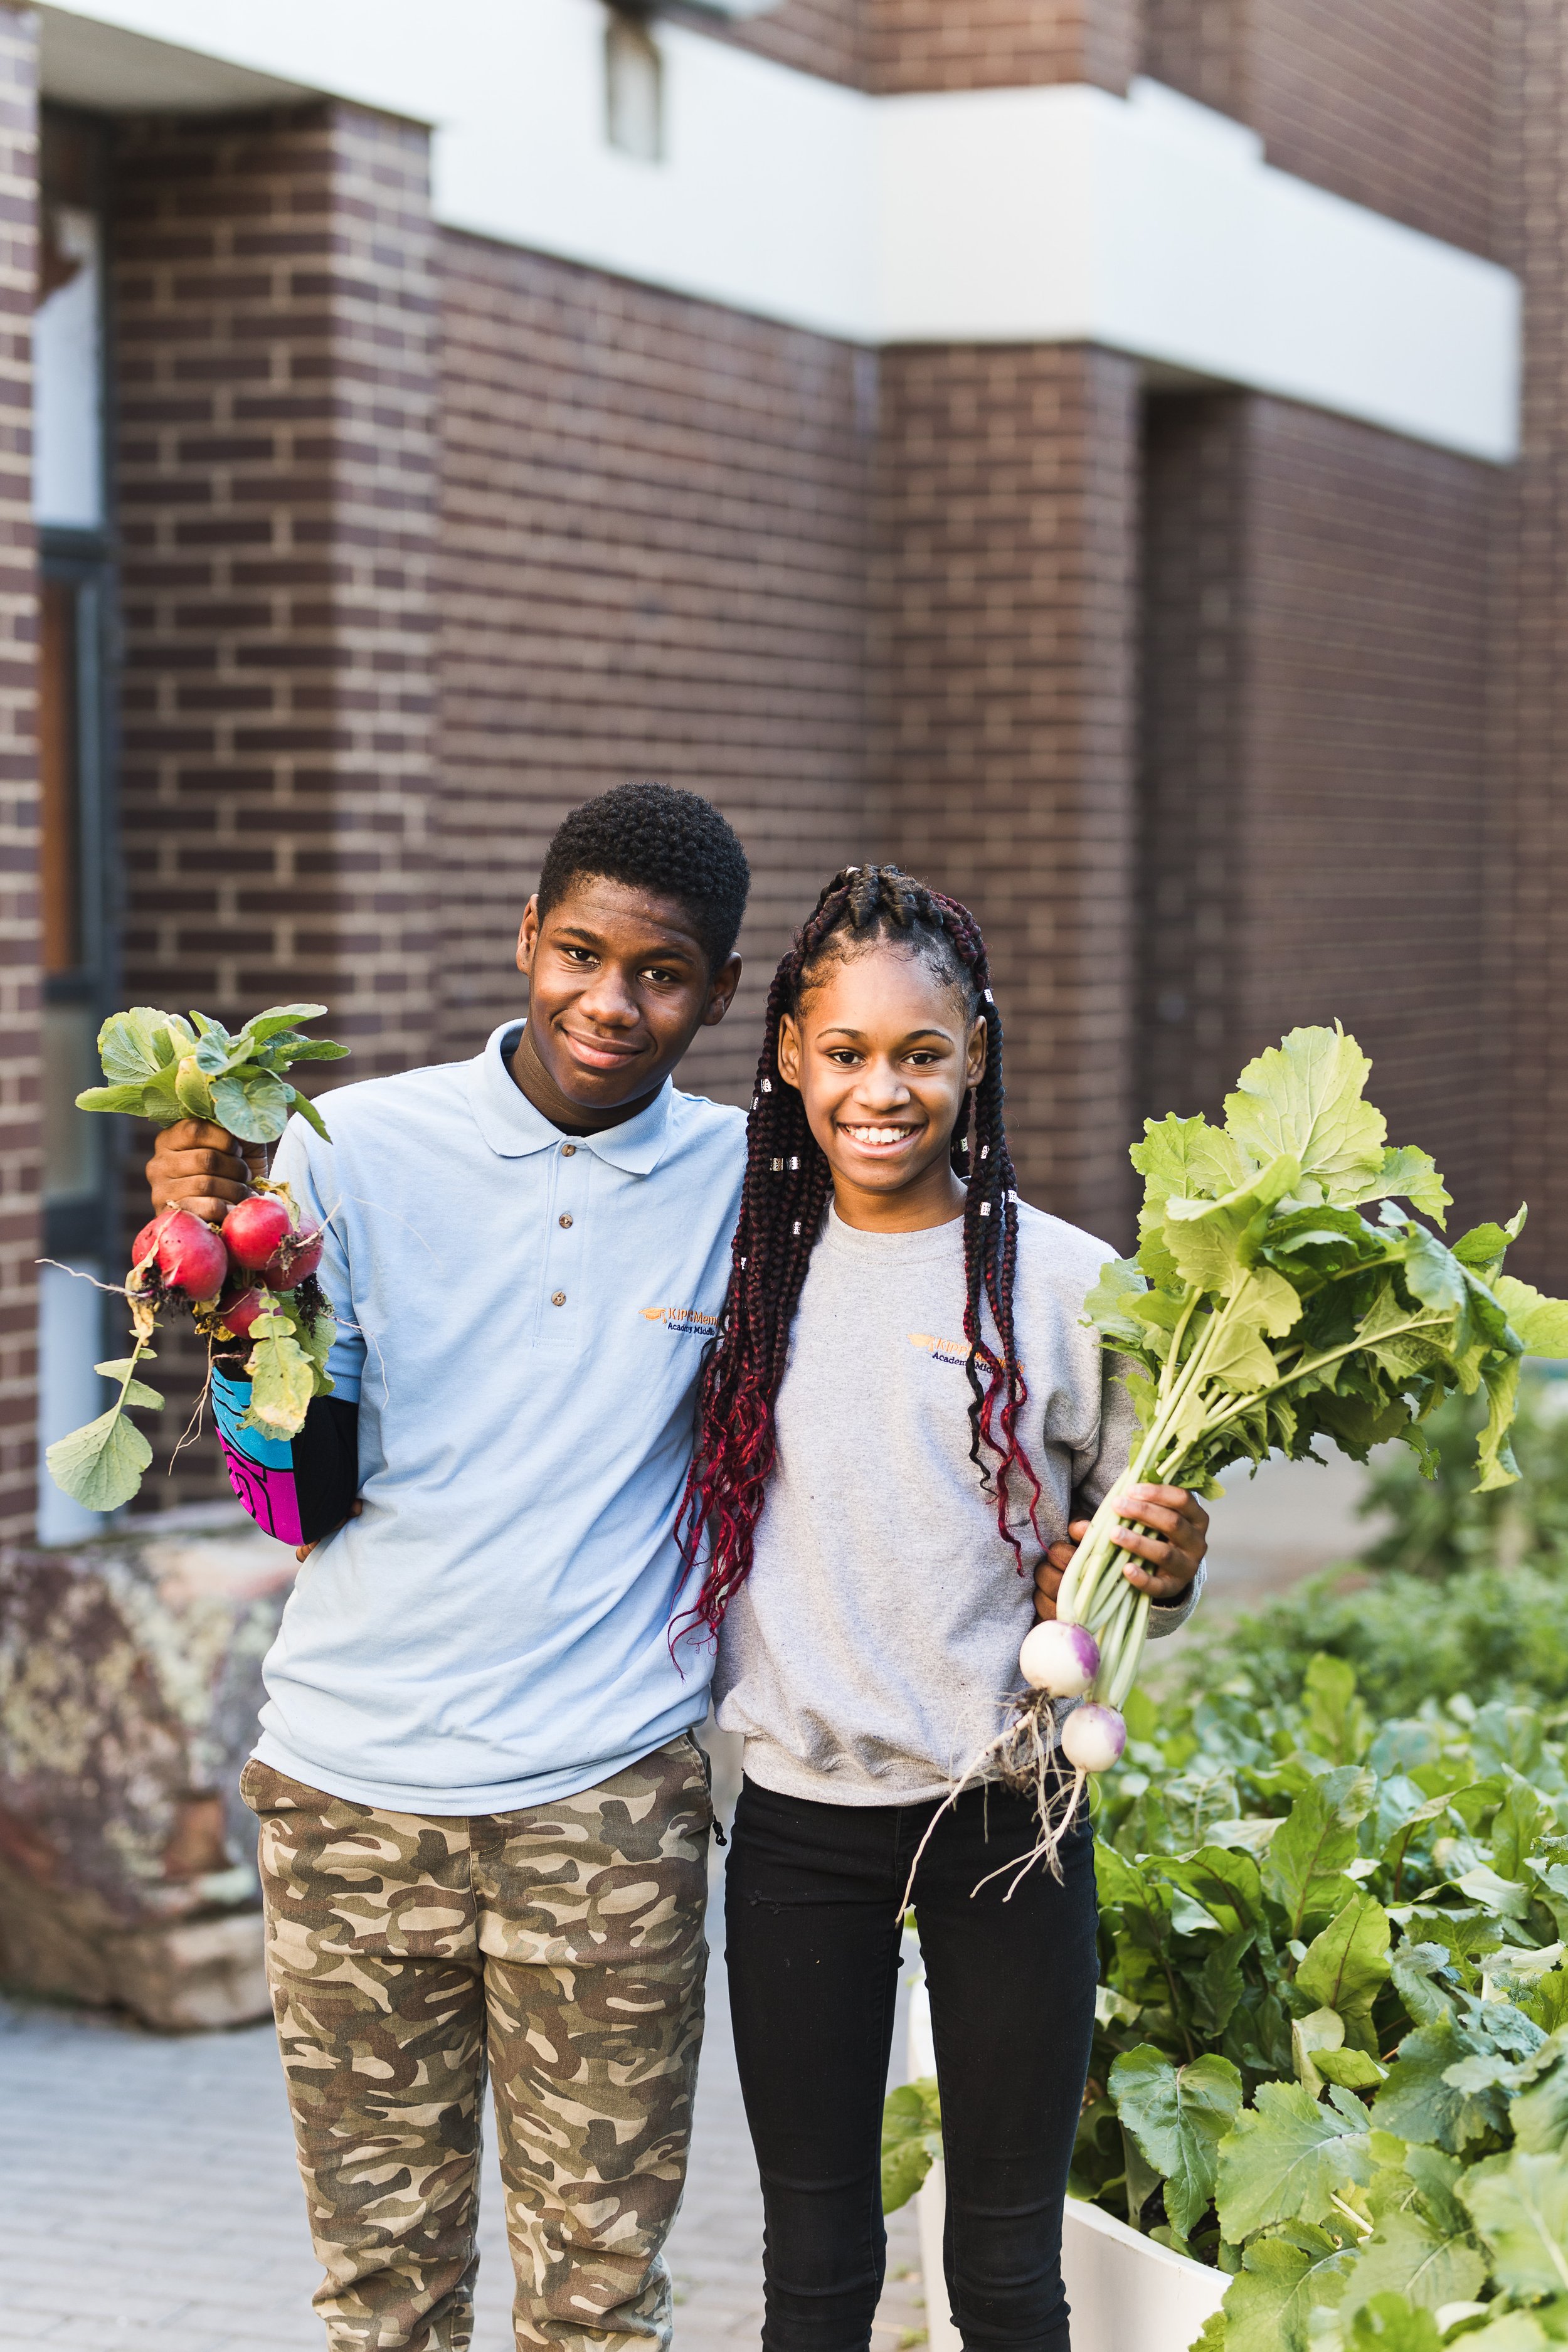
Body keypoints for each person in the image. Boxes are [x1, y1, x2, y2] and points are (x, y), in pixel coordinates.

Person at [144, 781, 754, 2352]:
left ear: (719, 992)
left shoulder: (754, 1188)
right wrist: (227, 1302)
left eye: (660, 971)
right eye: (577, 952)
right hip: (351, 1795)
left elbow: (967, 1283)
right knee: (383, 2300)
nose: (608, 1001)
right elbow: (292, 1504)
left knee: (600, 2305)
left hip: (603, 1803)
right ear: (523, 940)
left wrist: (1117, 1489)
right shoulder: (351, 1148)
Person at [681, 865, 1210, 2352]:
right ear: (788, 1054)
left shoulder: (1065, 1286)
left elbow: (1132, 1561)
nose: (880, 1091)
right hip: (796, 1824)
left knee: (999, 2269)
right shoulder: (737, 1268)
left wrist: (1154, 1567)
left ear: (975, 1049)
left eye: (920, 1054)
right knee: (817, 2267)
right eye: (844, 1053)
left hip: (1011, 1817)